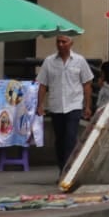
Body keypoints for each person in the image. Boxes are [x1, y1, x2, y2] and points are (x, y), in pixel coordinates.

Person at [35, 35, 94, 173]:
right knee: (60, 140)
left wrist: (87, 106)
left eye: (64, 42)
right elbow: (42, 85)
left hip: (74, 105)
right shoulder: (49, 61)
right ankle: (62, 168)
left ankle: (69, 171)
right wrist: (40, 105)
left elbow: (87, 84)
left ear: (71, 43)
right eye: (58, 42)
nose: (61, 44)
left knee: (70, 138)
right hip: (56, 106)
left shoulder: (79, 61)